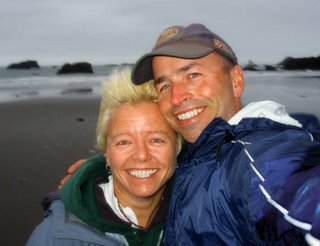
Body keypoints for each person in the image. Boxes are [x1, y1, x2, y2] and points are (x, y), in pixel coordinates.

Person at [61, 23, 320, 245]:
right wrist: (105, 167)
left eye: (193, 74)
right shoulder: (202, 150)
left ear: (237, 80)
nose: (176, 97)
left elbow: (296, 191)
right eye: (165, 84)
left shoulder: (261, 159)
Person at [27, 67, 182, 245]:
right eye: (124, 142)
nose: (141, 155)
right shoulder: (57, 237)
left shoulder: (199, 214)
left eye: (156, 140)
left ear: (177, 148)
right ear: (106, 153)